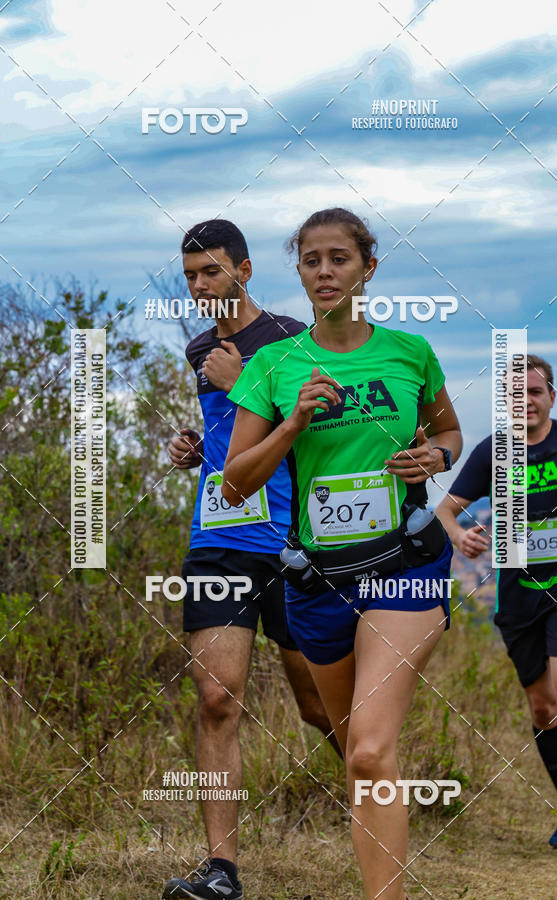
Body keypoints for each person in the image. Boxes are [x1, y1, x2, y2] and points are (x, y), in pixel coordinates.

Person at [222, 207, 462, 900]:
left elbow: (448, 429)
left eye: (339, 259)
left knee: (367, 749)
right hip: (318, 579)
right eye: (310, 261)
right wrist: (293, 421)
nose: (324, 272)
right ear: (297, 272)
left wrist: (434, 457)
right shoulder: (273, 364)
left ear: (368, 268)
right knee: (353, 748)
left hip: (405, 568)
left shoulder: (409, 352)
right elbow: (237, 482)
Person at [162, 219, 339, 900]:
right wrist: (193, 450)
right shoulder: (198, 348)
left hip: (292, 546)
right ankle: (223, 872)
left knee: (321, 711)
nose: (200, 286)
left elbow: (315, 433)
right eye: (190, 277)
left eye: (210, 272)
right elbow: (233, 441)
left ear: (245, 269)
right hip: (219, 540)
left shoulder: (294, 338)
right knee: (216, 699)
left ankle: (379, 806)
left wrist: (242, 382)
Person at [436, 354, 557, 849]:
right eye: (515, 395)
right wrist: (459, 536)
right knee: (541, 706)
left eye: (534, 392)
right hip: (518, 595)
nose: (526, 402)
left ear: (552, 395)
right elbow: (446, 510)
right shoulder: (494, 453)